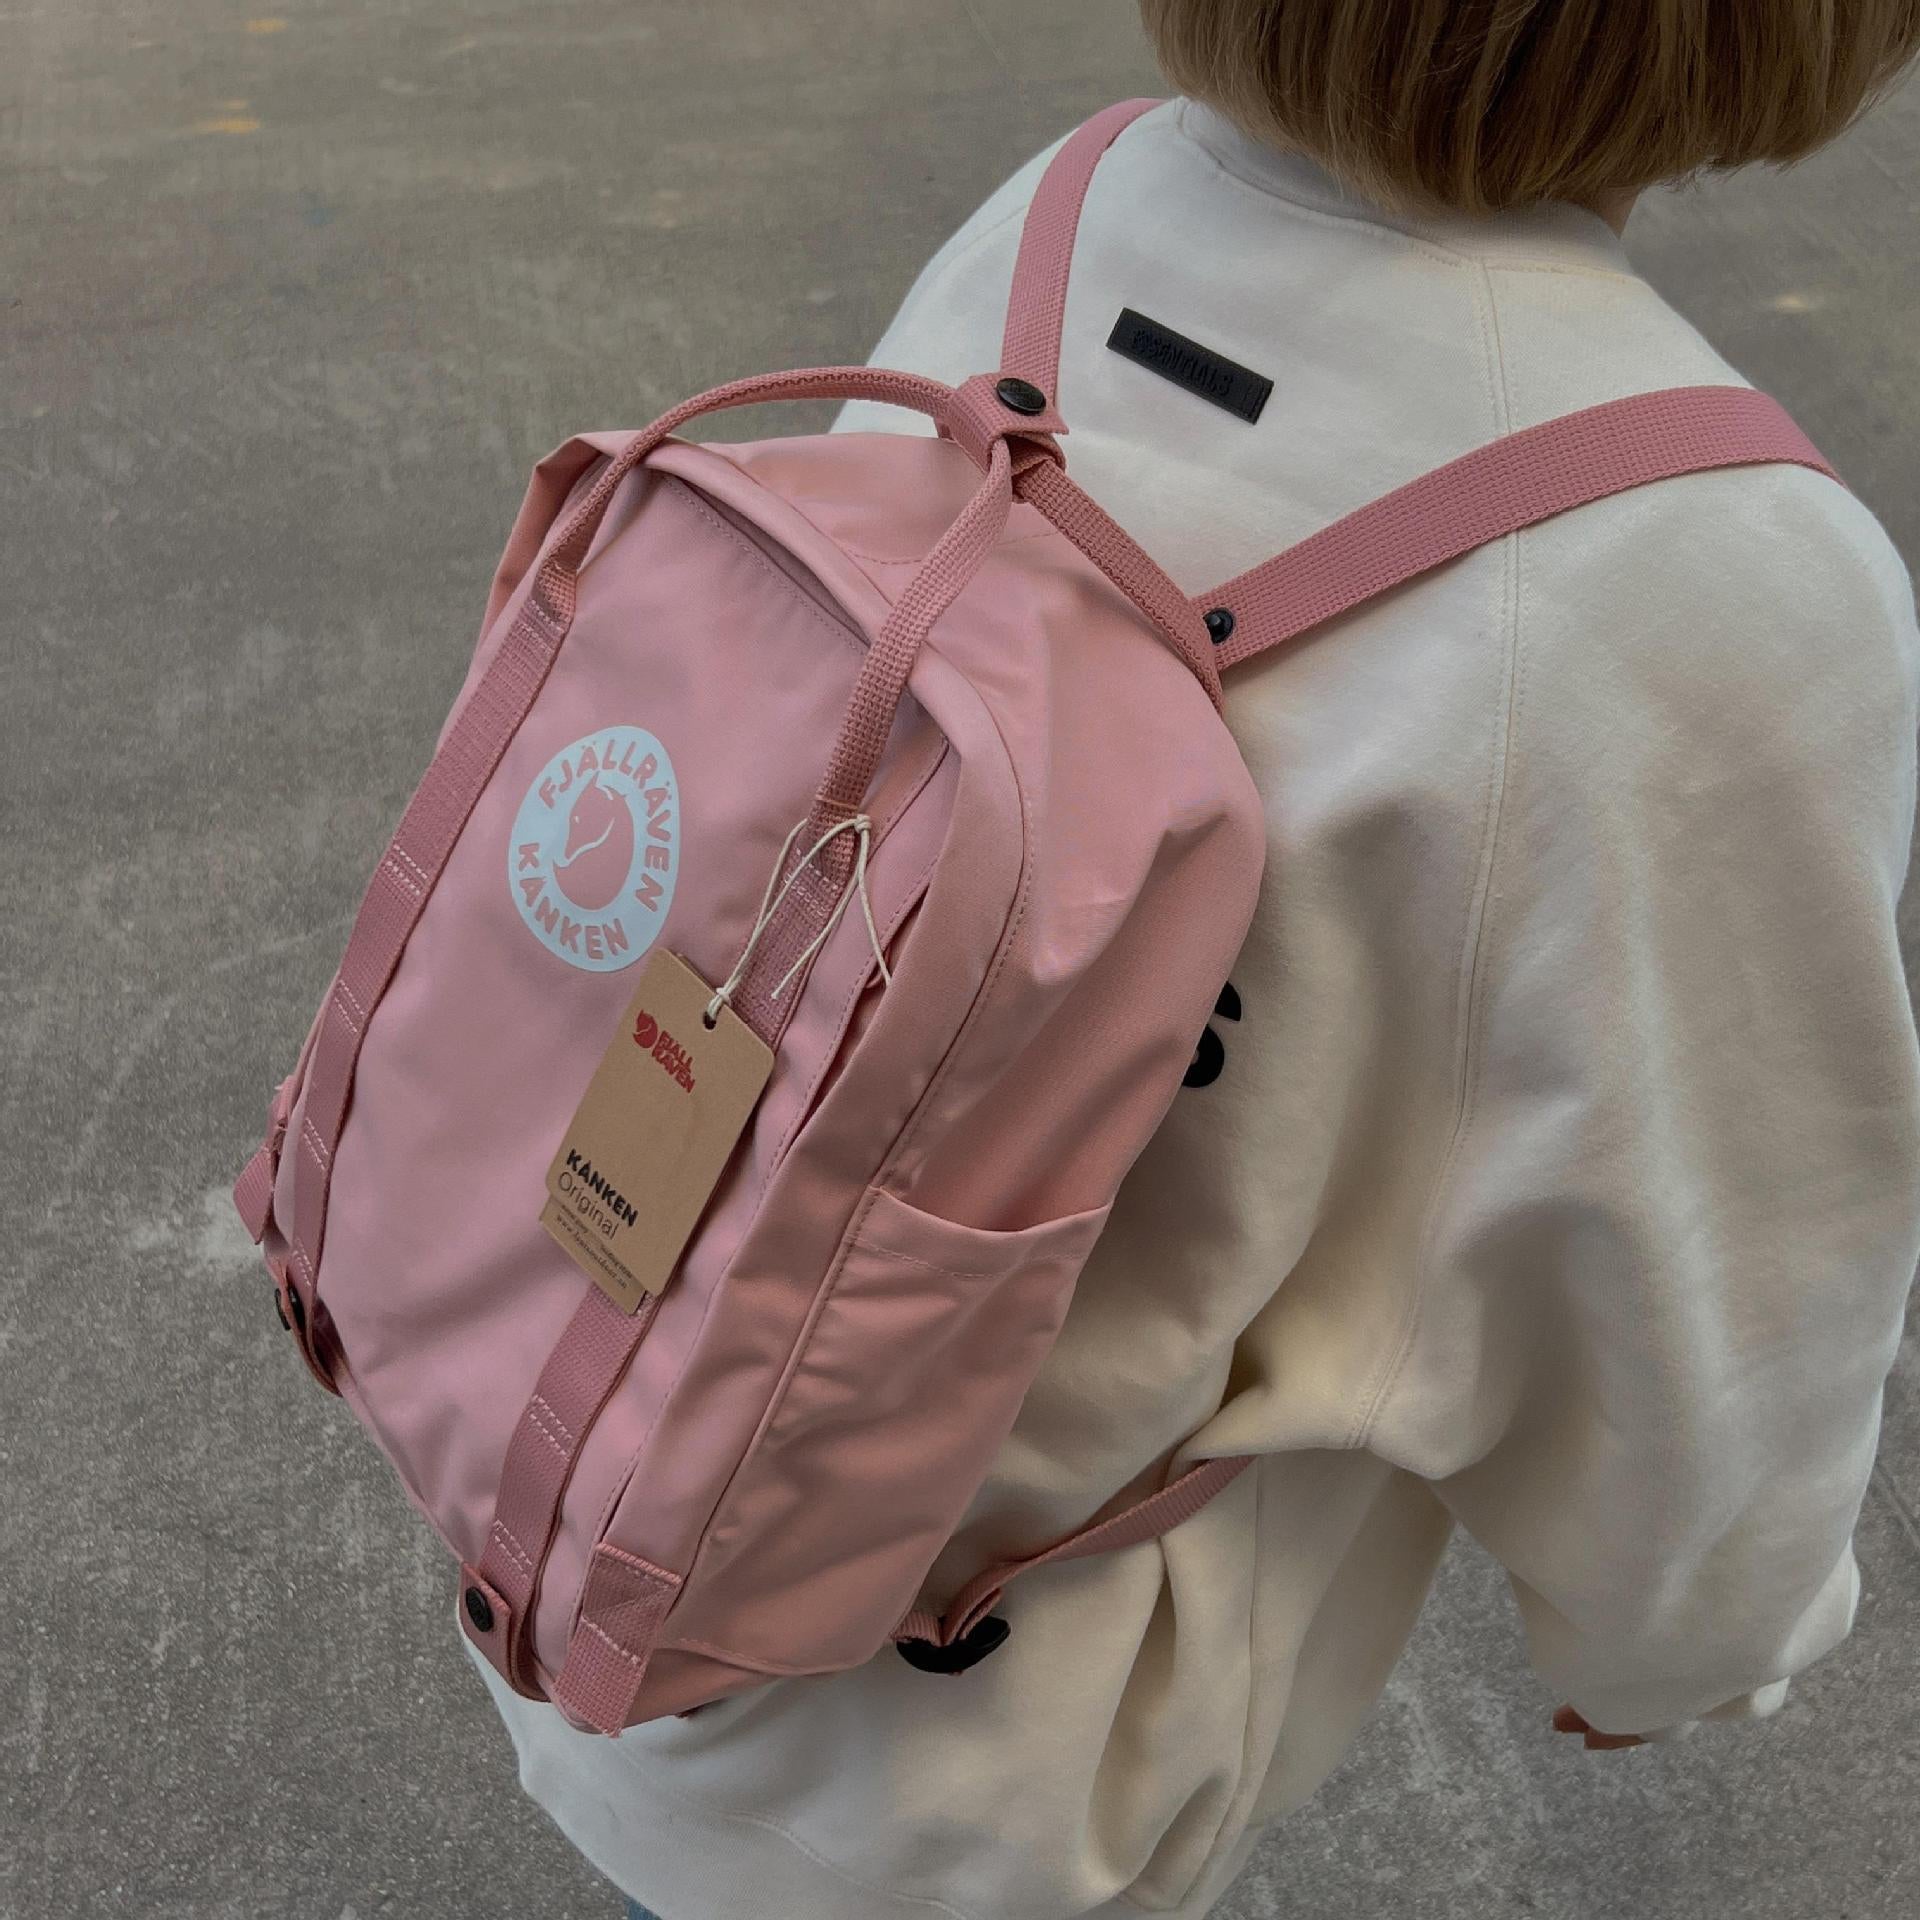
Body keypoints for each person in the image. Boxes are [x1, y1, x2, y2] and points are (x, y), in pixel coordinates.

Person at [476, 6, 1920, 1915]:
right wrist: (1685, 1642)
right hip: (1001, 1778)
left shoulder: (1067, 211)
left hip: (587, 1482)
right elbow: (1707, 1290)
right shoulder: (1721, 576)